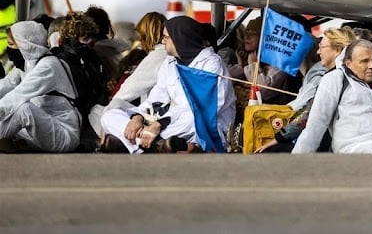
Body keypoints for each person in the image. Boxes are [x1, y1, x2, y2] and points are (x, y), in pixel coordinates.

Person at [99, 16, 234, 153]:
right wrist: (138, 117)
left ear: (179, 39)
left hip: (201, 120)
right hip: (165, 120)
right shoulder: (170, 62)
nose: (162, 41)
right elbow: (156, 98)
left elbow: (202, 107)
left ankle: (136, 144)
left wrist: (160, 124)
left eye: (166, 37)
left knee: (193, 121)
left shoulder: (211, 64)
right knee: (109, 115)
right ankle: (157, 145)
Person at [256, 26, 355, 153]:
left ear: (337, 50)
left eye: (322, 47)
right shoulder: (347, 76)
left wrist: (279, 138)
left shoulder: (333, 78)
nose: (318, 52)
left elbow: (310, 115)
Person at [0, 21, 80, 153]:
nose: (9, 49)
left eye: (11, 44)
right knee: (12, 112)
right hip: (39, 130)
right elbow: (4, 86)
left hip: (64, 133)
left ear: (25, 45)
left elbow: (17, 96)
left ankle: (12, 141)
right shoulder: (25, 65)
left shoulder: (48, 66)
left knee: (23, 109)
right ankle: (14, 142)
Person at [90, 11, 167, 139]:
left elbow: (130, 89)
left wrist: (112, 104)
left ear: (147, 35)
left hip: (155, 113)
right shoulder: (169, 54)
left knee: (104, 110)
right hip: (161, 111)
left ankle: (113, 139)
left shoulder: (158, 56)